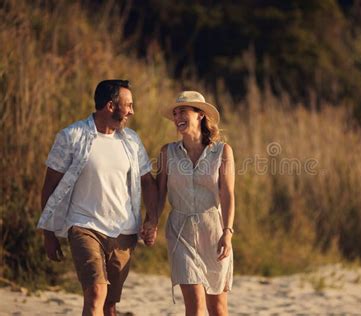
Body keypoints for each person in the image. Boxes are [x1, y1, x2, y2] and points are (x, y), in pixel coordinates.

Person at [37, 80, 159, 316]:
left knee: (109, 305)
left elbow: (148, 183)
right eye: (129, 105)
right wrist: (48, 232)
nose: (132, 111)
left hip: (123, 231)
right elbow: (50, 185)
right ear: (110, 106)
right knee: (95, 293)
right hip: (84, 226)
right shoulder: (71, 136)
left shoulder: (131, 141)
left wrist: (151, 219)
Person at [153, 91, 235, 315]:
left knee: (217, 308)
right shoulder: (167, 152)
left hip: (213, 231)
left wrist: (227, 232)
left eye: (183, 111)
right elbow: (159, 194)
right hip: (180, 230)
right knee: (194, 306)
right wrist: (152, 222)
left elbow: (227, 194)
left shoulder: (222, 151)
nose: (177, 115)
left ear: (200, 115)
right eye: (175, 112)